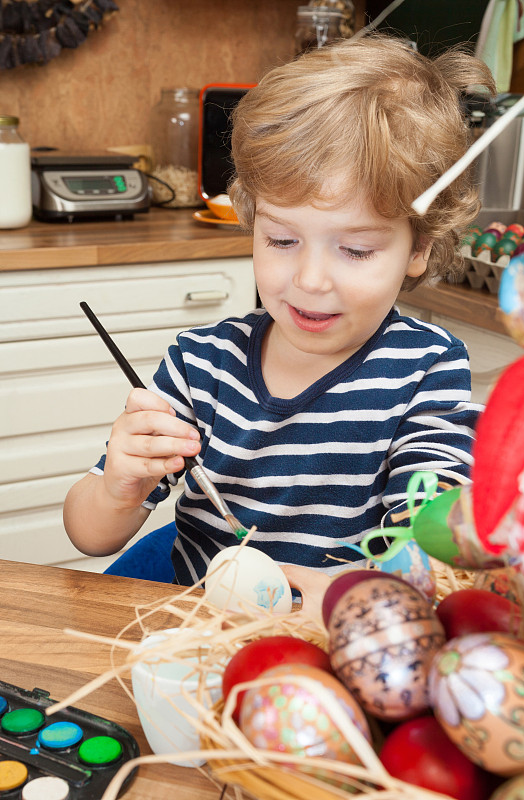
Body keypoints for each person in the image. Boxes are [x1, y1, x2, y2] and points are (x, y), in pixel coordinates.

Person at [64, 34, 495, 585]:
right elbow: (88, 535)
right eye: (282, 241)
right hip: (198, 646)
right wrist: (118, 487)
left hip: (343, 640)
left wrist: (319, 591)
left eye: (356, 250)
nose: (310, 281)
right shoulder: (204, 364)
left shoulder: (427, 369)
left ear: (419, 249)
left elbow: (432, 553)